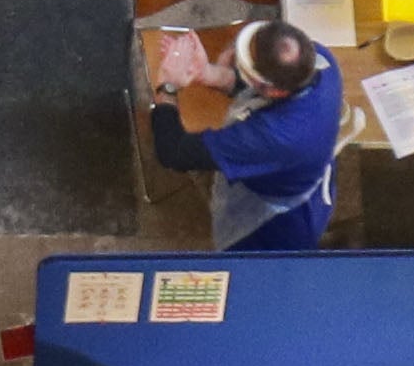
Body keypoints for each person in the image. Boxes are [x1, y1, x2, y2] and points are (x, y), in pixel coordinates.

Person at [145, 16, 345, 250]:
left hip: (275, 226)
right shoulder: (319, 60)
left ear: (274, 92)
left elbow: (174, 152)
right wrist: (210, 73)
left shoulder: (274, 137)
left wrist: (167, 87)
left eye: (244, 71)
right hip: (301, 173)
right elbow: (262, 91)